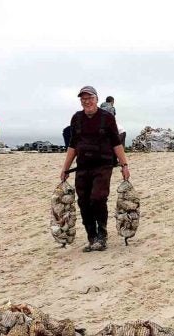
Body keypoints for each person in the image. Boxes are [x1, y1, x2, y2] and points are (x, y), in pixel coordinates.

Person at [60, 86, 130, 252]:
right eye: (83, 99)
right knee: (83, 202)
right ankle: (92, 237)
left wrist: (124, 165)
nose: (87, 101)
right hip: (83, 167)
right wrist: (65, 169)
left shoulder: (106, 118)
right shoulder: (76, 118)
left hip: (103, 166)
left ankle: (102, 235)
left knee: (98, 198)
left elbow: (116, 143)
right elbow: (73, 145)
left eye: (90, 98)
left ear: (97, 99)